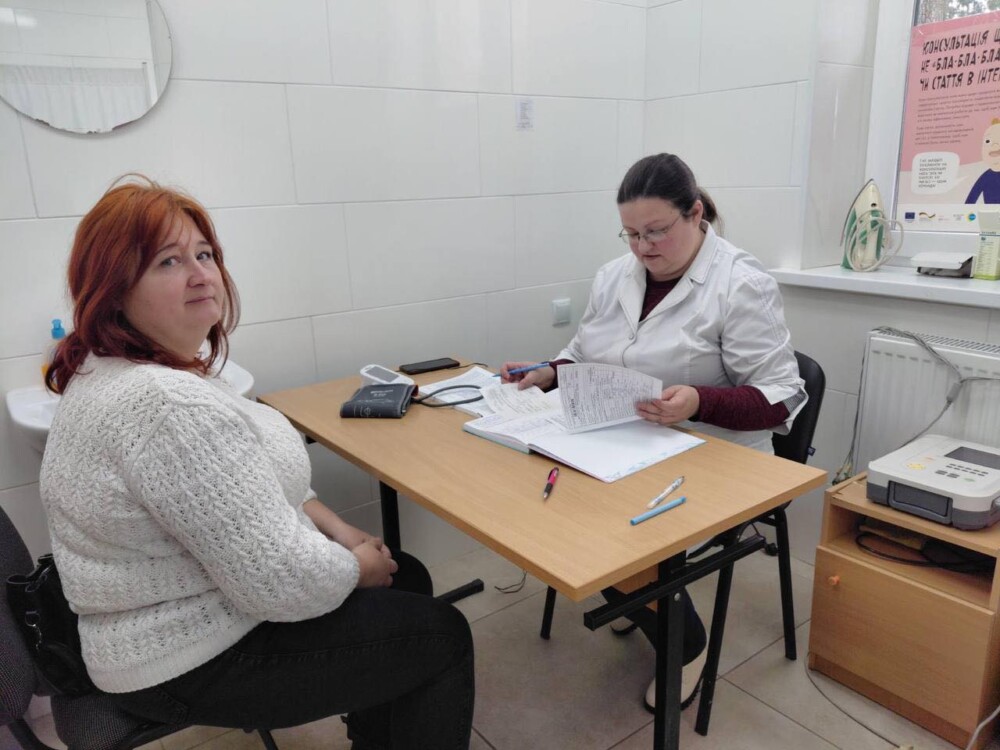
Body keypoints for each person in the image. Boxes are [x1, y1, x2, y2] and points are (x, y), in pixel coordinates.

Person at [39, 176, 474, 750]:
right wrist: (354, 568)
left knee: (407, 578)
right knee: (443, 635)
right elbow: (282, 584)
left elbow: (249, 484)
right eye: (169, 261)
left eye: (205, 254)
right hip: (182, 657)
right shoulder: (166, 405)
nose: (201, 274)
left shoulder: (146, 369)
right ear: (115, 291)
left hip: (180, 618)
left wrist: (341, 532)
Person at [501, 153, 806, 713]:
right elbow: (586, 352)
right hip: (626, 441)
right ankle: (639, 595)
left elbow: (780, 396)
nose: (642, 247)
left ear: (696, 213)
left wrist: (700, 401)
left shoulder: (741, 283)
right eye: (632, 234)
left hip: (716, 456)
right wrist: (551, 371)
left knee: (612, 536)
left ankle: (683, 642)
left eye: (657, 231)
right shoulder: (614, 276)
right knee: (555, 515)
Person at [965, 117, 1000, 205]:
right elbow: (971, 199)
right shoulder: (986, 177)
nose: (994, 145)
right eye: (988, 141)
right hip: (991, 212)